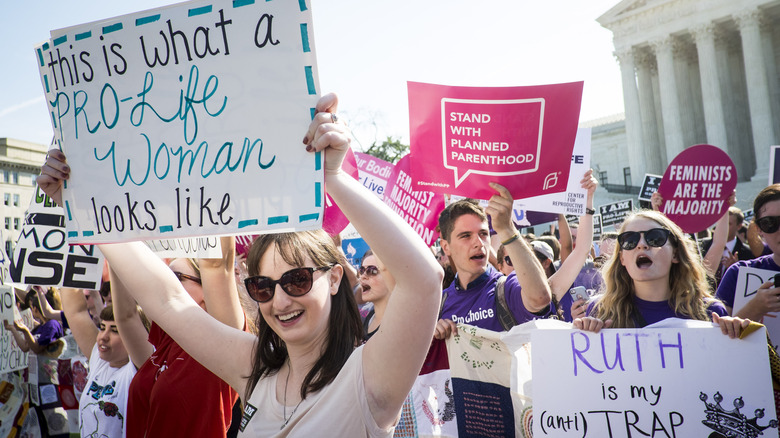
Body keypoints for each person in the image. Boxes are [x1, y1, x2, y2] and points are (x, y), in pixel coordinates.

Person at [38, 93, 444, 436]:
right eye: (263, 287)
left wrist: (334, 176)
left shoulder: (369, 378)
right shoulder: (255, 368)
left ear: (335, 277)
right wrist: (79, 207)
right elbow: (168, 300)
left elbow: (424, 279)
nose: (280, 301)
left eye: (297, 280)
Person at [572, 210, 745, 334]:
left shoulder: (710, 312)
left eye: (654, 238)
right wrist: (585, 335)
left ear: (676, 253)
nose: (642, 245)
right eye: (630, 240)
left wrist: (736, 334)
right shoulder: (600, 311)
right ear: (622, 258)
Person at [434, 182, 552, 339]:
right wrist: (431, 335)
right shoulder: (439, 304)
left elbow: (540, 298)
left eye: (483, 233)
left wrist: (507, 229)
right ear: (446, 247)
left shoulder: (505, 289)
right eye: (466, 236)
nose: (479, 243)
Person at [58, 287, 143, 438]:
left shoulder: (138, 370)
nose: (103, 336)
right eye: (102, 328)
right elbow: (76, 312)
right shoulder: (100, 361)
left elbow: (128, 316)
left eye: (115, 330)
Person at [5, 291, 68, 437]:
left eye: (32, 306)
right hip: (36, 383)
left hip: (50, 382)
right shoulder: (40, 327)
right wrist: (13, 329)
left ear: (36, 308)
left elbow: (37, 348)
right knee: (41, 422)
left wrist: (25, 330)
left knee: (54, 420)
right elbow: (26, 347)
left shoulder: (52, 325)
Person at [716, 184, 780, 321]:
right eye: (769, 223)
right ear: (759, 230)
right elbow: (715, 336)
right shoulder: (738, 274)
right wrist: (754, 309)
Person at [358, 249, 395, 342]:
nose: (363, 276)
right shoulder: (363, 318)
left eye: (371, 271)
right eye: (362, 270)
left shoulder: (403, 323)